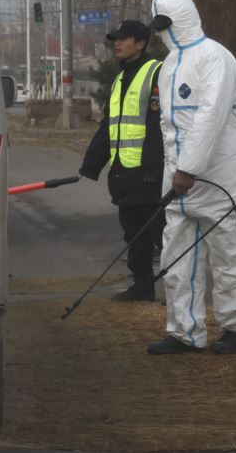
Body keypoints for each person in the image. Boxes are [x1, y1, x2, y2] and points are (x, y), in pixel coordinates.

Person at [144, 0, 236, 356]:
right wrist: (173, 174)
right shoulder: (169, 66)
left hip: (220, 180)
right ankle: (184, 331)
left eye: (166, 24)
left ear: (182, 18)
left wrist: (189, 168)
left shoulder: (215, 58)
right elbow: (169, 128)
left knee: (231, 257)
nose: (162, 33)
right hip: (181, 184)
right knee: (176, 260)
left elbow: (210, 117)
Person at [80, 19, 165, 302]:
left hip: (148, 174)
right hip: (125, 173)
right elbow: (109, 126)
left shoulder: (156, 73)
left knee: (163, 235)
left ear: (140, 43)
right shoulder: (120, 78)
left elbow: (158, 127)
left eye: (123, 38)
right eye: (115, 38)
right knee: (134, 234)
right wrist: (91, 165)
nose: (116, 43)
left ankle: (181, 293)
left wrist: (154, 170)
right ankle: (142, 287)